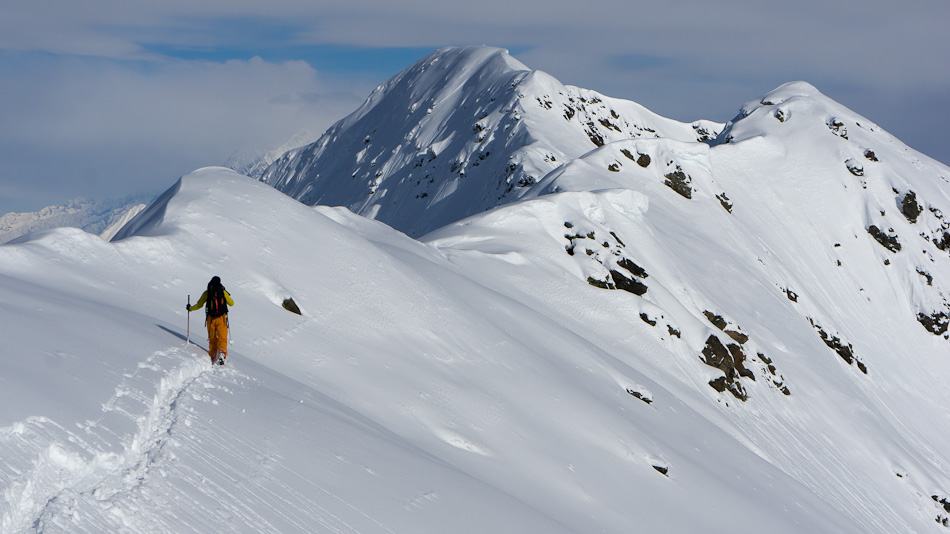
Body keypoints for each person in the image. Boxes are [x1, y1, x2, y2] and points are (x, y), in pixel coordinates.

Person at [187, 276, 234, 365]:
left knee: (212, 339)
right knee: (222, 338)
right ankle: (222, 353)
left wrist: (190, 308)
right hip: (221, 318)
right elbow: (231, 303)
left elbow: (199, 305)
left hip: (210, 319)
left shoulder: (207, 293)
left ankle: (213, 355)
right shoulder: (222, 291)